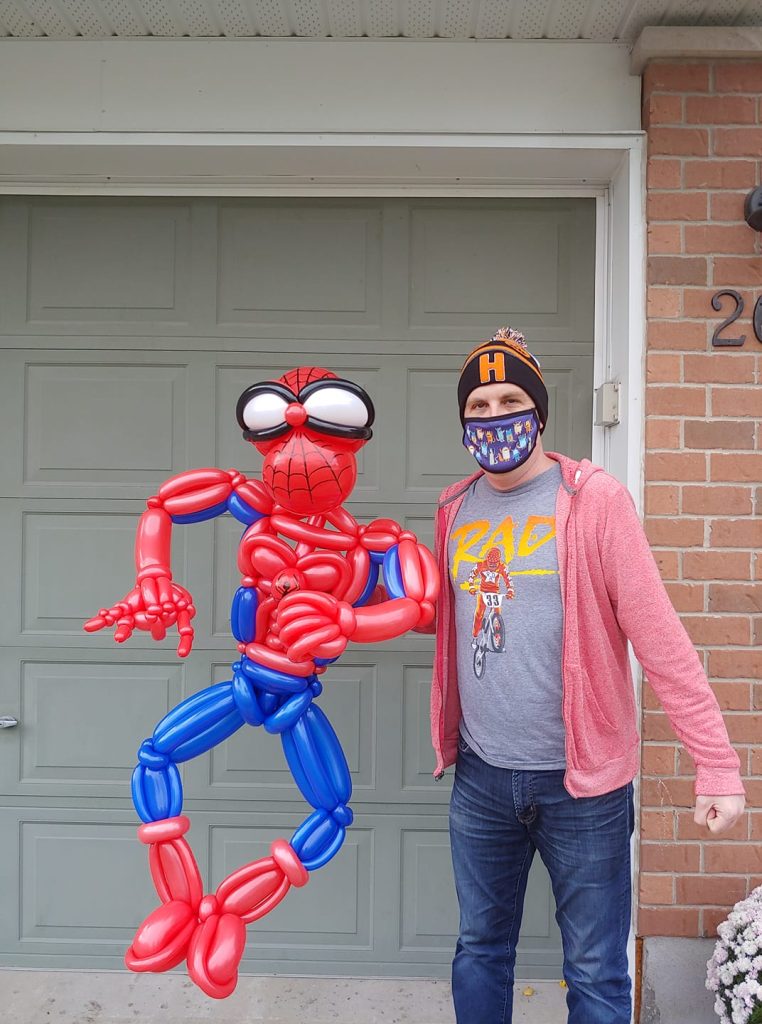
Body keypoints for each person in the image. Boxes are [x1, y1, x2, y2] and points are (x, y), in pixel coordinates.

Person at [425, 327, 746, 1024]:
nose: (493, 417)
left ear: (539, 410)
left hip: (585, 787)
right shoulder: (453, 510)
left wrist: (716, 764)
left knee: (596, 974)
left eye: (509, 399)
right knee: (479, 950)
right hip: (481, 780)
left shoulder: (593, 502)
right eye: (477, 406)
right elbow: (443, 617)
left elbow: (661, 640)